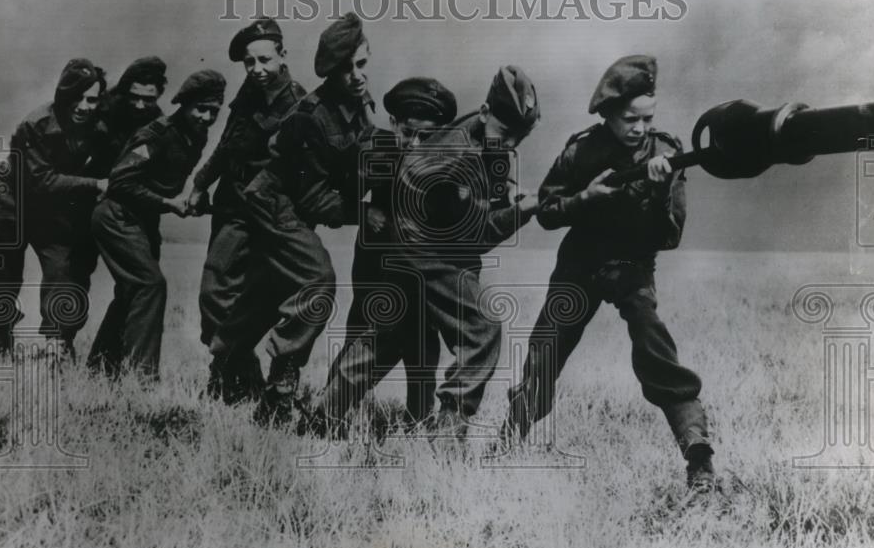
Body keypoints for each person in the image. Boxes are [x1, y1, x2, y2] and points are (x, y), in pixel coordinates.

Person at [500, 55, 716, 493]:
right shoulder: (581, 151)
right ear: (607, 115)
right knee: (545, 354)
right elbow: (547, 213)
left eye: (646, 118)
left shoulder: (666, 154)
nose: (638, 128)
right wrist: (587, 198)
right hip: (579, 264)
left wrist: (658, 192)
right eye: (628, 118)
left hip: (633, 267)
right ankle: (508, 443)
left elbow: (670, 236)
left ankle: (698, 456)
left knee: (657, 354)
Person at [206, 12, 376, 425]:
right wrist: (365, 212)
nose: (356, 76)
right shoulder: (311, 115)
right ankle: (280, 388)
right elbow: (317, 198)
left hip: (289, 207)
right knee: (318, 281)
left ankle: (225, 359)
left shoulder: (360, 105)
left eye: (362, 64)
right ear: (329, 72)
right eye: (345, 69)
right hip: (272, 204)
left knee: (268, 292)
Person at [389, 65, 542, 438]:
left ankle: (322, 416)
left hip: (428, 240)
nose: (508, 147)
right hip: (421, 248)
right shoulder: (456, 158)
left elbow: (495, 162)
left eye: (517, 141)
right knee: (483, 327)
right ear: (488, 113)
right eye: (505, 136)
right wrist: (523, 210)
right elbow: (477, 236)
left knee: (382, 347)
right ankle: (448, 429)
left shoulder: (481, 126)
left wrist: (506, 188)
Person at [302, 77, 458, 436]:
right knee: (363, 334)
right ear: (392, 124)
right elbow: (329, 193)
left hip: (421, 265)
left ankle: (419, 418)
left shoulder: (448, 159)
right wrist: (362, 212)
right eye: (408, 132)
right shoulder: (374, 150)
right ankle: (330, 415)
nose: (416, 143)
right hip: (377, 261)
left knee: (422, 337)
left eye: (427, 136)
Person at [186, 19, 306, 402]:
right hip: (232, 206)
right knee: (214, 292)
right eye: (249, 62)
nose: (257, 69)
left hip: (271, 213)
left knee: (269, 295)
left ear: (283, 55)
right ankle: (235, 370)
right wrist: (201, 181)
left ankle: (257, 383)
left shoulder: (300, 102)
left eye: (265, 60)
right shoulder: (248, 91)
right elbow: (227, 144)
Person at [89, 70, 225, 379]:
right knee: (149, 285)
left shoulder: (197, 135)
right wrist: (168, 204)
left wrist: (193, 200)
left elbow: (165, 182)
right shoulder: (156, 134)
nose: (205, 117)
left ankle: (99, 367)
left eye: (213, 111)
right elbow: (120, 182)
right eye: (200, 109)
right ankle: (142, 378)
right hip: (116, 216)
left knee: (131, 291)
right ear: (184, 106)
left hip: (142, 220)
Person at [0, 58, 108, 360]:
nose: (84, 106)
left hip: (52, 209)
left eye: (92, 99)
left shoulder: (99, 127)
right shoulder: (33, 125)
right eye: (77, 97)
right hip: (8, 204)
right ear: (63, 95)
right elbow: (42, 182)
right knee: (1, 278)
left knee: (63, 270)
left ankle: (58, 344)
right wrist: (96, 185)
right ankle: (1, 341)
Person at [85, 56, 167, 373]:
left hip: (132, 209)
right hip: (91, 205)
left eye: (149, 98)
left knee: (135, 287)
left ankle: (102, 364)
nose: (140, 105)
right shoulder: (100, 111)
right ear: (124, 90)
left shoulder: (156, 121)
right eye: (134, 96)